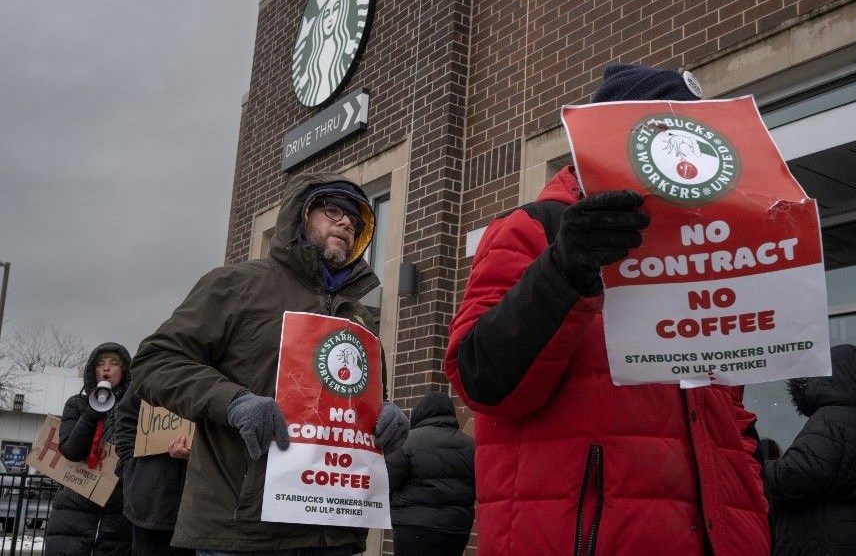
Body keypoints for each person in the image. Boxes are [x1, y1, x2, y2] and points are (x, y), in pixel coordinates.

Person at [444, 63, 770, 556]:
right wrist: (563, 272)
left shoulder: (699, 250)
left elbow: (731, 420)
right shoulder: (533, 229)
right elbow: (480, 380)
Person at [131, 173, 410, 555]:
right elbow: (155, 361)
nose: (346, 223)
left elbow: (362, 400)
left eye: (356, 222)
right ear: (301, 215)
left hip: (334, 531)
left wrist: (386, 415)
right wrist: (233, 402)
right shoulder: (236, 284)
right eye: (333, 210)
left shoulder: (358, 316)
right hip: (246, 531)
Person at [762, 344, 856, 556]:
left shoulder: (830, 420)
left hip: (826, 545)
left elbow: (795, 476)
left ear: (825, 378)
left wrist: (755, 468)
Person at [45, 343, 133, 556]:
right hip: (75, 507)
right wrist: (92, 412)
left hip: (117, 510)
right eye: (101, 364)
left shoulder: (132, 407)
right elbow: (71, 451)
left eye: (114, 364)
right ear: (93, 371)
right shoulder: (77, 404)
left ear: (124, 371)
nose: (106, 369)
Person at [386, 391, 475, 556]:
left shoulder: (407, 441)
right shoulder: (470, 445)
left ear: (420, 412)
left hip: (413, 526)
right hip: (456, 528)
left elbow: (387, 480)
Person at [113, 385, 194, 556]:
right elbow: (126, 425)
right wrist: (131, 471)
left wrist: (196, 455)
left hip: (202, 514)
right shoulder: (147, 372)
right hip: (150, 509)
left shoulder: (217, 370)